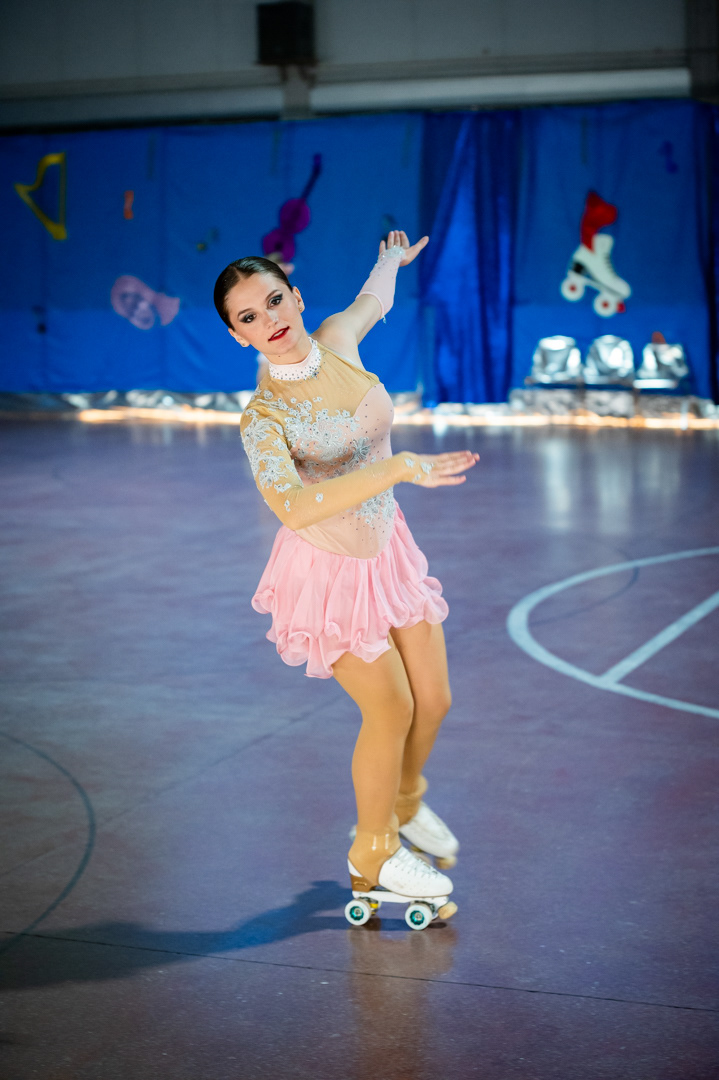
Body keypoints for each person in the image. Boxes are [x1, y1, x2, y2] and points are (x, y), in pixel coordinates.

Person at [213, 231, 479, 920]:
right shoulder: (262, 419)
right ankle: (373, 851)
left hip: (387, 550)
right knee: (390, 709)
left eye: (275, 300)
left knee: (434, 700)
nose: (269, 320)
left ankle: (404, 803)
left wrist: (390, 259)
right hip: (328, 576)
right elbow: (295, 508)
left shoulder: (336, 338)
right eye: (249, 317)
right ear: (238, 336)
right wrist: (398, 467)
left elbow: (372, 301)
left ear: (296, 298)